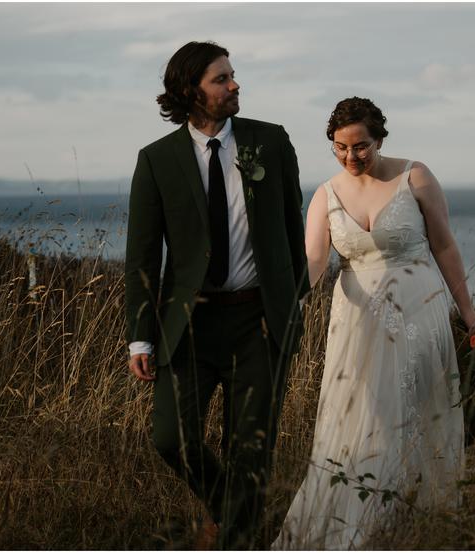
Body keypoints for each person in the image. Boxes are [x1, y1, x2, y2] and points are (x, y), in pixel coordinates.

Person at [272, 97, 475, 549]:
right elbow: (314, 261)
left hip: (418, 310)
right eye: (340, 148)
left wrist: (467, 311)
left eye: (361, 147)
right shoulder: (326, 194)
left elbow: (445, 247)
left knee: (409, 410)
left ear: (380, 139)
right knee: (360, 415)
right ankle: (356, 525)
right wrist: (285, 306)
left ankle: (413, 522)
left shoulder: (416, 176)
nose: (351, 157)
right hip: (356, 320)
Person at [124, 41, 308, 550]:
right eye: (221, 78)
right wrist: (140, 338)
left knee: (251, 450)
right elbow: (142, 257)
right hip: (190, 326)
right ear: (191, 91)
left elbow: (294, 231)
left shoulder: (268, 142)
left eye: (233, 75)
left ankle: (238, 540)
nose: (234, 85)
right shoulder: (157, 161)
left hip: (259, 322)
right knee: (171, 438)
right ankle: (234, 512)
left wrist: (293, 308)